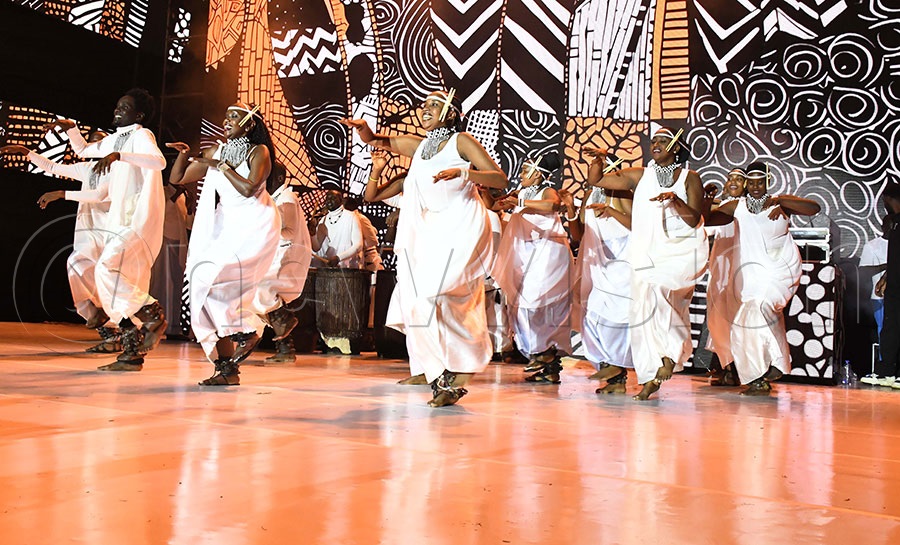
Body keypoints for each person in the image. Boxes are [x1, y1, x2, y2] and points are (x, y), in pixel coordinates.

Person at [343, 89, 508, 407]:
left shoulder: (461, 142)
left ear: (450, 112)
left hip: (463, 228)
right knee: (420, 303)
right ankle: (443, 376)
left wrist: (464, 172)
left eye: (434, 104)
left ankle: (460, 364)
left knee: (434, 297)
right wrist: (366, 132)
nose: (425, 109)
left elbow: (499, 179)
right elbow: (378, 141)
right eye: (425, 104)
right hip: (432, 233)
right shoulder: (418, 147)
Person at [42, 89, 167, 371]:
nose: (117, 111)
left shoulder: (141, 135)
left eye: (124, 107)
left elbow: (159, 162)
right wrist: (72, 128)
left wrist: (119, 156)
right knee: (110, 280)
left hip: (137, 219)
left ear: (139, 115)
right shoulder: (114, 140)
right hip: (119, 223)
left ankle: (151, 313)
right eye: (117, 106)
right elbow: (84, 150)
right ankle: (131, 350)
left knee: (105, 270)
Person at [587, 126, 708, 400]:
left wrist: (676, 201)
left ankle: (669, 354)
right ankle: (653, 374)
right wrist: (598, 160)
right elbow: (598, 182)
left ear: (676, 148)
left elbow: (694, 219)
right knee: (643, 312)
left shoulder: (690, 178)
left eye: (664, 140)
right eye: (654, 140)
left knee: (661, 296)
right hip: (646, 252)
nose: (657, 144)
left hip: (679, 251)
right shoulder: (640, 175)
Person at [168, 102, 280, 385]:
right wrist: (183, 155)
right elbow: (177, 178)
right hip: (226, 225)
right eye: (226, 115)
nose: (227, 120)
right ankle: (227, 369)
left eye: (235, 116)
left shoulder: (259, 151)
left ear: (249, 123)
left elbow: (249, 188)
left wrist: (220, 166)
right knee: (201, 289)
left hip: (256, 224)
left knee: (211, 280)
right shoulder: (216, 152)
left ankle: (248, 330)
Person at [705, 161, 820, 395]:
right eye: (752, 181)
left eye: (760, 181)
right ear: (746, 183)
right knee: (759, 315)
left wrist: (782, 201)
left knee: (755, 312)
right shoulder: (738, 206)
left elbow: (813, 208)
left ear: (768, 181)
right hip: (751, 276)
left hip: (781, 271)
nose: (756, 186)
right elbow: (707, 219)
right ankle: (772, 366)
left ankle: (763, 373)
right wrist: (706, 199)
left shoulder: (780, 202)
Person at [1, 132, 122, 352]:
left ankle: (116, 333)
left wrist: (61, 193)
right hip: (87, 233)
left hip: (108, 231)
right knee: (76, 266)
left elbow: (100, 196)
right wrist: (26, 153)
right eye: (92, 140)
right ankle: (101, 320)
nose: (94, 143)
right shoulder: (86, 169)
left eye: (99, 140)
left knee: (107, 281)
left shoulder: (118, 170)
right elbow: (53, 167)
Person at [493, 152, 574, 383]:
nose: (521, 174)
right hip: (528, 256)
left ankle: (544, 352)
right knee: (520, 306)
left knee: (534, 304)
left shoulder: (546, 191)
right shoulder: (522, 193)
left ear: (538, 174)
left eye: (526, 169)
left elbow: (552, 204)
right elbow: (493, 204)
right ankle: (547, 361)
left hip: (549, 254)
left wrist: (519, 202)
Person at [566, 154, 634, 394]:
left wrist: (610, 211)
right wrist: (570, 212)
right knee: (592, 314)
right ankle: (613, 374)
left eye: (600, 167)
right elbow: (581, 231)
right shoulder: (590, 193)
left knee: (615, 317)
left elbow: (636, 223)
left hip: (621, 257)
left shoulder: (622, 193)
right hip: (598, 260)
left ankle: (616, 367)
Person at [253, 161, 313, 364]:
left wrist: (262, 223)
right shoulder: (276, 198)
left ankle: (284, 320)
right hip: (279, 255)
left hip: (287, 257)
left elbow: (289, 232)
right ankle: (286, 347)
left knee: (259, 288)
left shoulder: (286, 198)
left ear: (278, 179)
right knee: (261, 295)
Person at [705, 168, 747, 386]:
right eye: (730, 178)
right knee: (718, 317)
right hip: (721, 270)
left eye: (739, 179)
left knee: (737, 317)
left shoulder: (749, 208)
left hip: (742, 269)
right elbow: (704, 224)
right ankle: (724, 365)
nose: (733, 181)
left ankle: (737, 368)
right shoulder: (720, 208)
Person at [866, 184, 900, 388]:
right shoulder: (894, 222)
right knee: (890, 327)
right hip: (894, 283)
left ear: (888, 198)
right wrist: (886, 277)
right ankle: (886, 371)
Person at [858, 215, 891, 361]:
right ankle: (884, 365)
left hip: (895, 296)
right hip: (879, 298)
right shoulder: (873, 246)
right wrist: (887, 266)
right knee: (883, 332)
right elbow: (863, 271)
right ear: (883, 226)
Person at [311, 187, 364, 269]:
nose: (329, 201)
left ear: (341, 201)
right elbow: (316, 247)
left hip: (349, 269)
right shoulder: (323, 220)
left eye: (333, 198)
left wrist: (339, 257)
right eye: (327, 198)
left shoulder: (351, 216)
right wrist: (313, 234)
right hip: (331, 267)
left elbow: (358, 245)